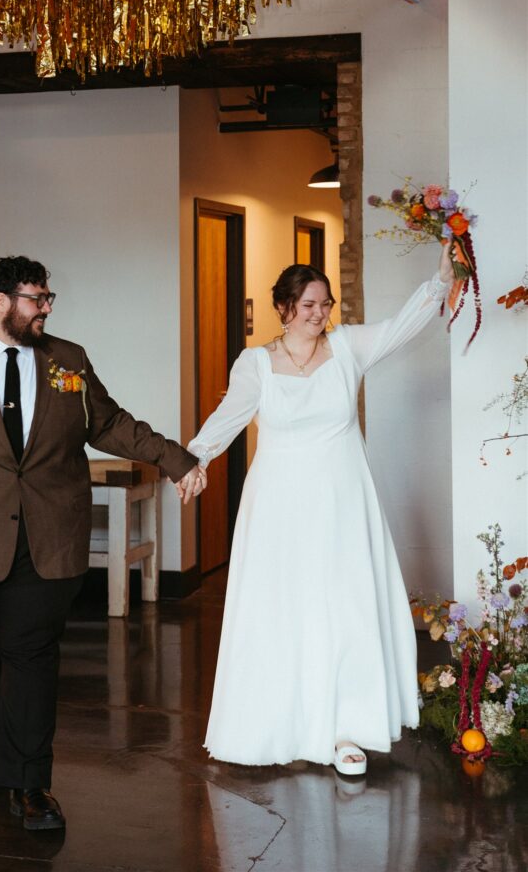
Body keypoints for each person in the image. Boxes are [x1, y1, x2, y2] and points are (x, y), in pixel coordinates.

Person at [0, 255, 205, 830]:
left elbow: (109, 423)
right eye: (37, 299)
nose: (47, 308)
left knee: (30, 657)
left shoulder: (68, 359)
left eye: (48, 297)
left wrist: (175, 458)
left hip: (48, 536)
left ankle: (31, 785)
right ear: (2, 301)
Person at [187, 242, 455, 775]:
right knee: (282, 609)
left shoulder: (349, 347)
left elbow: (404, 324)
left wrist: (440, 281)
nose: (320, 314)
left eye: (326, 304)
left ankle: (346, 729)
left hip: (341, 501)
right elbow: (227, 417)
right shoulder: (256, 363)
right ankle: (276, 721)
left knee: (344, 607)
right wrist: (192, 461)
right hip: (278, 507)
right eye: (309, 305)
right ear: (284, 308)